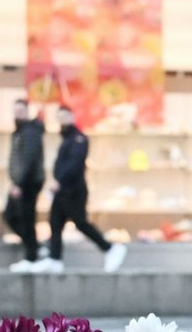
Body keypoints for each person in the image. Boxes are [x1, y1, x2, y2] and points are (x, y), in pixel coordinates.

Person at [40, 105, 127, 274]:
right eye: (60, 117)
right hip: (61, 191)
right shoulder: (66, 139)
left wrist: (60, 181)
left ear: (72, 117)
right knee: (55, 224)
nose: (62, 120)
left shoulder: (79, 139)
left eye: (65, 116)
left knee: (81, 223)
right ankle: (54, 259)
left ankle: (110, 248)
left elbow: (75, 164)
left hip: (73, 191)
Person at [3, 100, 48, 273]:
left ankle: (32, 255)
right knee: (11, 215)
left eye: (20, 111)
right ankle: (35, 247)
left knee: (26, 218)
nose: (17, 114)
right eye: (15, 111)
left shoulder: (30, 131)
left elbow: (29, 160)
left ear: (26, 112)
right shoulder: (22, 131)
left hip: (27, 183)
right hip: (20, 182)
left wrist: (19, 183)